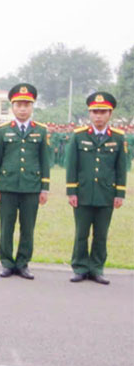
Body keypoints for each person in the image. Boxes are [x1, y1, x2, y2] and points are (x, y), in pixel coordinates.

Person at [66, 91, 127, 285]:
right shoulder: (79, 136)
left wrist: (120, 193)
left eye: (103, 112)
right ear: (89, 114)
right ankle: (80, 267)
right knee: (81, 233)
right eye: (95, 112)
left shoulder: (117, 138)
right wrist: (71, 191)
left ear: (110, 114)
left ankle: (97, 268)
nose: (98, 116)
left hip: (106, 194)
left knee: (101, 234)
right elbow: (72, 165)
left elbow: (121, 168)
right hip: (83, 193)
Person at [0, 83, 50, 279]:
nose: (22, 109)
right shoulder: (3, 130)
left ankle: (23, 263)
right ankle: (7, 263)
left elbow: (45, 161)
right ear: (12, 107)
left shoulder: (40, 131)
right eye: (18, 105)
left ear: (32, 107)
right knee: (6, 227)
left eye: (26, 105)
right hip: (7, 187)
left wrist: (45, 188)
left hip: (31, 188)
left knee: (28, 228)